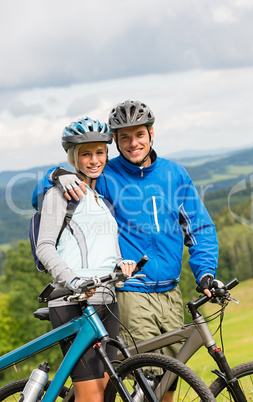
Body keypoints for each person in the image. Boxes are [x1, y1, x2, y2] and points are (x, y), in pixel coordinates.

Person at [33, 101, 219, 402]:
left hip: (171, 293)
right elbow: (54, 190)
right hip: (131, 291)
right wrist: (56, 175)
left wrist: (206, 272)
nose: (133, 143)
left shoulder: (175, 174)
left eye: (139, 135)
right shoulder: (107, 174)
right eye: (125, 137)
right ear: (116, 142)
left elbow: (199, 229)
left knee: (168, 385)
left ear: (151, 133)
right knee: (146, 381)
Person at [36, 117, 136, 402]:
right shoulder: (60, 195)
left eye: (100, 152)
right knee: (90, 395)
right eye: (86, 153)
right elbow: (44, 247)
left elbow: (108, 250)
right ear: (74, 157)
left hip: (107, 301)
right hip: (73, 302)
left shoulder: (101, 201)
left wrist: (121, 264)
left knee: (107, 393)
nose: (94, 160)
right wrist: (73, 280)